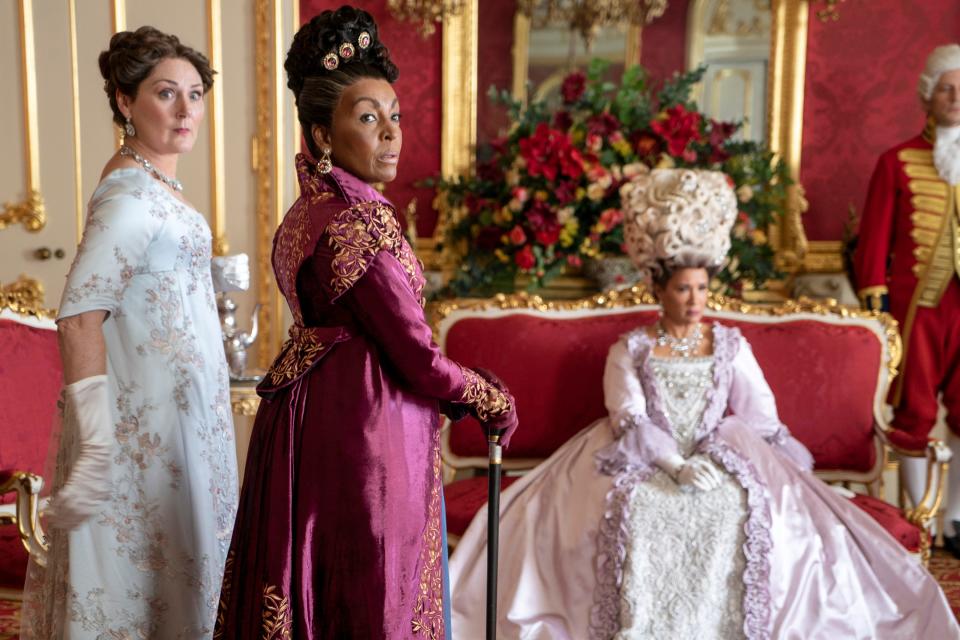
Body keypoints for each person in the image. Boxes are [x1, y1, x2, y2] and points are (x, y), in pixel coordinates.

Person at [449, 168, 960, 639]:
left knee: (735, 505)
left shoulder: (731, 346)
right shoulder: (630, 349)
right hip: (643, 453)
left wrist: (714, 455)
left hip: (720, 450)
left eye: (702, 288)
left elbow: (761, 416)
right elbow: (628, 416)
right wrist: (674, 463)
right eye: (683, 289)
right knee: (641, 506)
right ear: (659, 289)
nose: (695, 300)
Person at [213, 6, 517, 639]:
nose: (390, 134)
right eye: (368, 117)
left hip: (311, 418)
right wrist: (485, 394)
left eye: (394, 116)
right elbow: (415, 353)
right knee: (372, 588)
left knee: (324, 587)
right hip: (367, 435)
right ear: (324, 135)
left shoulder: (306, 213)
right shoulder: (356, 224)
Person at [20, 26, 248, 638]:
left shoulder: (152, 183)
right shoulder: (130, 196)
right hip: (141, 434)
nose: (185, 110)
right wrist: (95, 450)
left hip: (177, 423)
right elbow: (79, 316)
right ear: (125, 102)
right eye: (166, 93)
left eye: (195, 94)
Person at [854, 44, 960, 552]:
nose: (956, 97)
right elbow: (873, 240)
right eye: (947, 88)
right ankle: (920, 519)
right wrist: (878, 309)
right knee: (914, 412)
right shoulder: (896, 161)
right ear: (928, 95)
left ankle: (958, 518)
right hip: (918, 308)